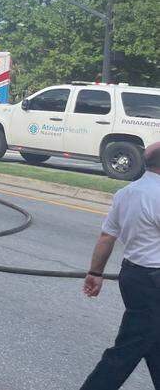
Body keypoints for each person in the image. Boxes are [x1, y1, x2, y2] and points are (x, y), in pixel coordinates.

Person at [79, 141, 160, 390]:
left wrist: (95, 272)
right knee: (131, 346)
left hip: (133, 275)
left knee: (153, 342)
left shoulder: (126, 193)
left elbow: (107, 236)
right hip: (154, 283)